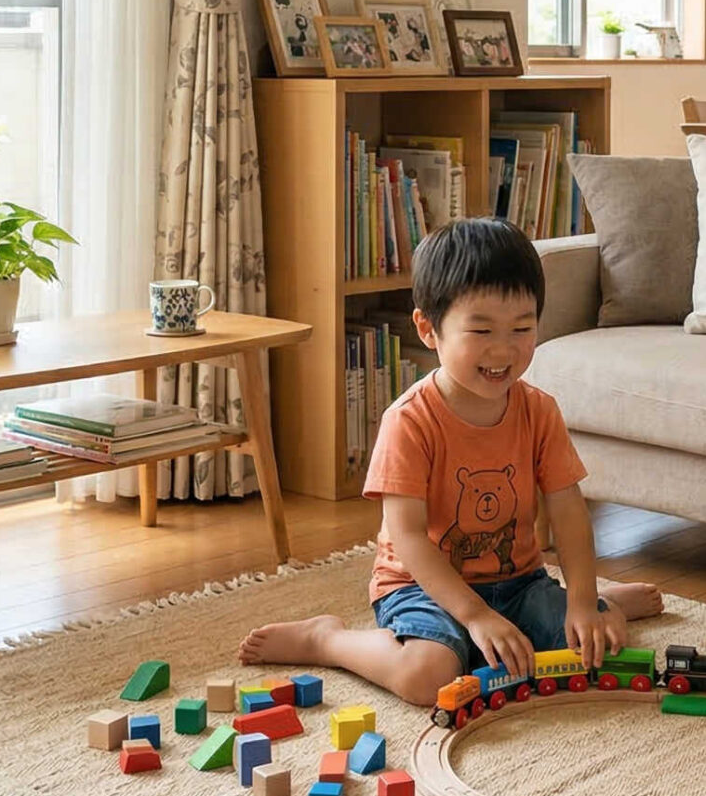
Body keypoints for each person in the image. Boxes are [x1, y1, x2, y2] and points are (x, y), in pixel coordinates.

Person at [241, 218, 663, 704]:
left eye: (522, 328)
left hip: (517, 580)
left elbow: (568, 511)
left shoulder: (539, 410)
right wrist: (475, 615)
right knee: (430, 676)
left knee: (600, 645)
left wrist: (584, 601)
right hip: (421, 586)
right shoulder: (410, 421)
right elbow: (410, 538)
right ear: (428, 328)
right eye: (481, 330)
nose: (503, 350)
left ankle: (605, 602)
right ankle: (328, 639)